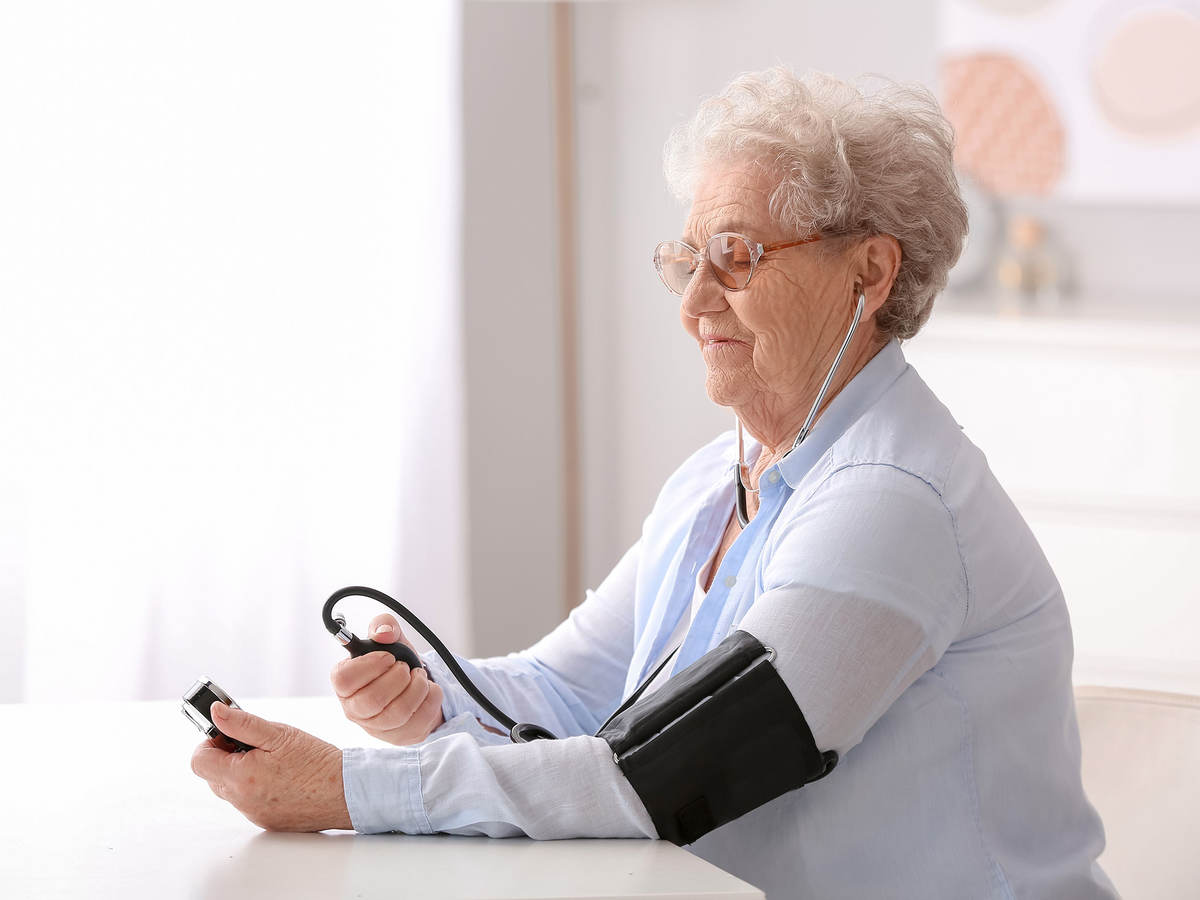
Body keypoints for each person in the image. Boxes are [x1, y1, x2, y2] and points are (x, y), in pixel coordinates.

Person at [191, 67, 1118, 898]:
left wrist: (345, 788)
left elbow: (659, 776)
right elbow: (566, 689)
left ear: (869, 272)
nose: (693, 301)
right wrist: (434, 691)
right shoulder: (720, 483)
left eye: (738, 256)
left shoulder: (894, 503)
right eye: (687, 258)